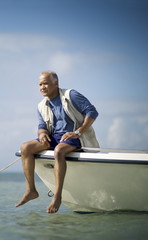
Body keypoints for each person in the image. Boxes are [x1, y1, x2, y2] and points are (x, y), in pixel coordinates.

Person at [15, 71, 99, 213]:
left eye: (45, 83)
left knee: (59, 151)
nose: (42, 87)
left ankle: (58, 196)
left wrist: (78, 131)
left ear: (56, 83)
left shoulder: (71, 95)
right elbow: (42, 127)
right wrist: (42, 134)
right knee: (25, 147)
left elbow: (92, 112)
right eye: (40, 84)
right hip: (54, 137)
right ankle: (31, 190)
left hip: (75, 136)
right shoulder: (41, 105)